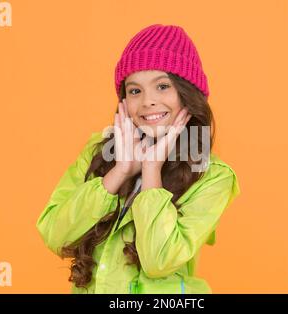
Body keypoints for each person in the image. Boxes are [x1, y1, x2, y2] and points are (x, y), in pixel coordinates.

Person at [36, 24, 241, 294]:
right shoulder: (98, 153)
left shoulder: (212, 175)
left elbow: (159, 261)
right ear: (123, 101)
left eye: (163, 86)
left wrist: (152, 170)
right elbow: (55, 235)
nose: (148, 102)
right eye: (135, 91)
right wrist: (119, 172)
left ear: (187, 95)